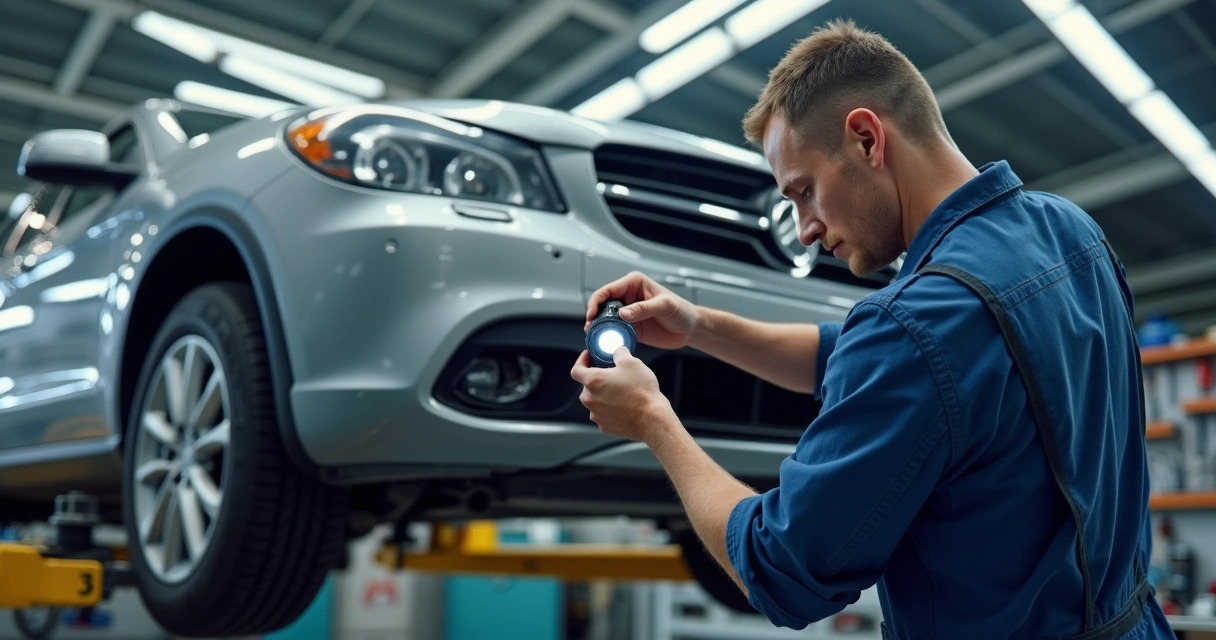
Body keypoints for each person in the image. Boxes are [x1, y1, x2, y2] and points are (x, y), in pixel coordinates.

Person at [569, 18, 1174, 640]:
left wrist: (654, 422)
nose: (804, 229)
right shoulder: (1069, 231)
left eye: (804, 191)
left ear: (866, 139)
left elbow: (780, 569)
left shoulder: (916, 325)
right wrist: (699, 326)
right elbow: (854, 358)